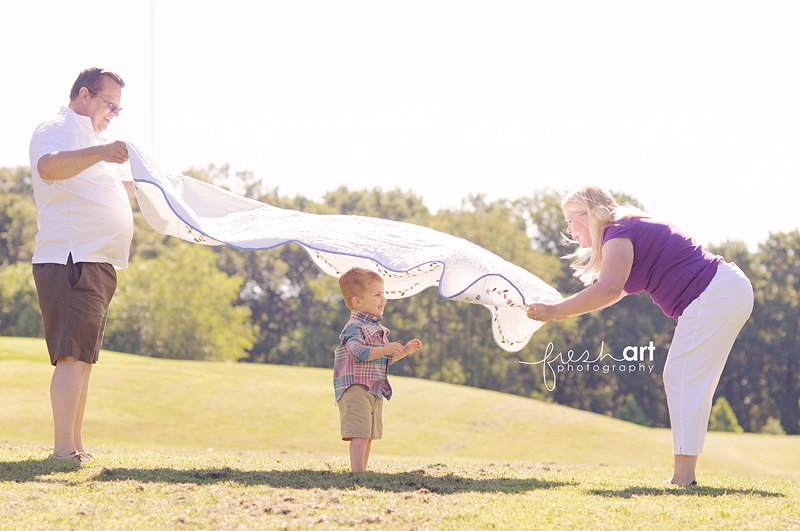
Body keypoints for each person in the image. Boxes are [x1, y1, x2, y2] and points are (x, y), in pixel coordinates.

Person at [526, 185, 753, 486]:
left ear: (589, 214)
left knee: (681, 378)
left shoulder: (617, 231)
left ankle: (684, 479)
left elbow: (607, 288)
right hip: (725, 291)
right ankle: (685, 476)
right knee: (689, 382)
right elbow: (614, 291)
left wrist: (555, 309)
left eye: (570, 219)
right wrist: (566, 309)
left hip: (713, 295)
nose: (568, 229)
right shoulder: (624, 229)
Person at [29, 67, 136, 463]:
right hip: (70, 257)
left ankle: (75, 445)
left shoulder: (93, 140)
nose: (114, 113)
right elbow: (49, 167)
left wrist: (154, 187)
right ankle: (62, 450)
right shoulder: (57, 127)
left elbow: (108, 188)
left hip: (97, 260)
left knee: (84, 359)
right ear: (85, 94)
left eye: (119, 108)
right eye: (110, 104)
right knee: (72, 356)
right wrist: (102, 152)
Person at [333, 267, 422, 472]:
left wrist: (405, 351)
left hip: (373, 388)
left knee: (369, 433)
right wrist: (382, 349)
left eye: (383, 294)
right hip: (355, 387)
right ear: (357, 301)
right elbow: (357, 352)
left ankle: (362, 469)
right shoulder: (355, 326)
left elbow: (384, 359)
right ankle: (357, 472)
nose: (384, 299)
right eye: (377, 295)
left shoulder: (376, 328)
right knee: (360, 431)